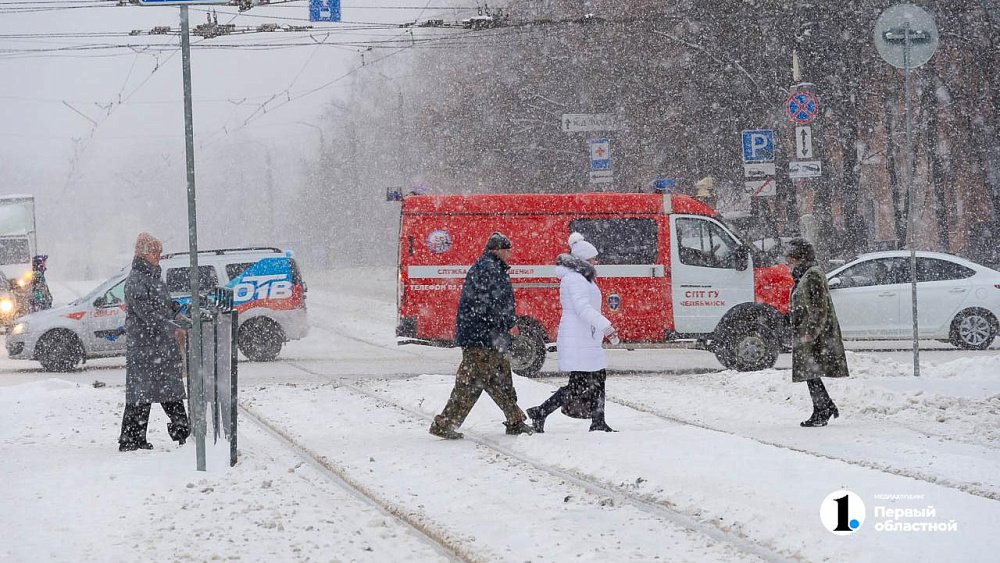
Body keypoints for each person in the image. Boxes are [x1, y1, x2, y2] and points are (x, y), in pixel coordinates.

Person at [429, 232, 534, 439]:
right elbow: (490, 303)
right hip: (481, 336)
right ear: (497, 250)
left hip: (487, 334)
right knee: (477, 382)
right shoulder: (489, 269)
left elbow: (495, 302)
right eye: (507, 250)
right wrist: (508, 322)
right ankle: (446, 423)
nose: (510, 254)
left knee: (497, 378)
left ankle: (514, 420)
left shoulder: (492, 268)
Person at [526, 233, 618, 433]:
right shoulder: (576, 279)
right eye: (593, 258)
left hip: (585, 336)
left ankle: (598, 421)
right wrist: (605, 326)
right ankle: (541, 411)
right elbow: (582, 308)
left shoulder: (583, 278)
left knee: (597, 376)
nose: (596, 261)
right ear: (584, 260)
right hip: (578, 337)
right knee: (580, 383)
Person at [118, 233, 191, 451]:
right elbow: (147, 314)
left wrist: (178, 314)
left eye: (159, 251)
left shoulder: (153, 276)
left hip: (159, 347)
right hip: (146, 347)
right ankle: (134, 439)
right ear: (143, 254)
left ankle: (139, 437)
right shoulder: (136, 281)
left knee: (158, 392)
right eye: (154, 251)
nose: (158, 255)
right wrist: (172, 328)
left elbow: (163, 306)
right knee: (146, 394)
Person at [785, 238, 849, 427]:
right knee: (809, 372)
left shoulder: (812, 275)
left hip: (815, 333)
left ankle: (823, 409)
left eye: (790, 256)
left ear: (799, 256)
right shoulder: (803, 274)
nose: (787, 261)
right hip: (807, 330)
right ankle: (824, 407)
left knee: (810, 371)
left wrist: (811, 333)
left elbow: (819, 307)